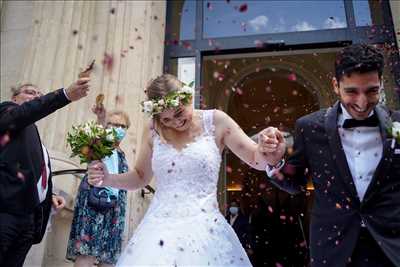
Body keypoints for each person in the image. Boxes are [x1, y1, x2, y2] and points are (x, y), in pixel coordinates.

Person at [87, 74, 285, 266]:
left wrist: (269, 151)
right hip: (158, 231)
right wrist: (108, 179)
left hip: (206, 229)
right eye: (166, 120)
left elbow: (254, 158)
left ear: (188, 97)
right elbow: (140, 176)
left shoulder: (216, 121)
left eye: (179, 113)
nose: (175, 122)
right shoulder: (153, 130)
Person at [265, 44, 400, 267]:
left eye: (371, 91)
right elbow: (294, 183)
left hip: (392, 248)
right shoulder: (308, 127)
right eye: (351, 91)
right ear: (336, 85)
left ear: (381, 84)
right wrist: (275, 162)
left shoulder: (397, 124)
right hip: (333, 249)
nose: (362, 102)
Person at [0, 79, 90, 267]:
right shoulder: (6, 111)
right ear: (14, 98)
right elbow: (23, 114)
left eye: (39, 95)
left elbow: (33, 174)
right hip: (5, 213)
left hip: (27, 221)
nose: (36, 97)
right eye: (30, 92)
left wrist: (50, 197)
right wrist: (64, 95)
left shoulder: (36, 142)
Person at [66, 107, 131, 267]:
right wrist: (101, 118)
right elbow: (96, 137)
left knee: (108, 256)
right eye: (114, 125)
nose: (119, 129)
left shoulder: (121, 153)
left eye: (123, 126)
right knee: (87, 252)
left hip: (114, 207)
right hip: (94, 202)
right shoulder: (101, 145)